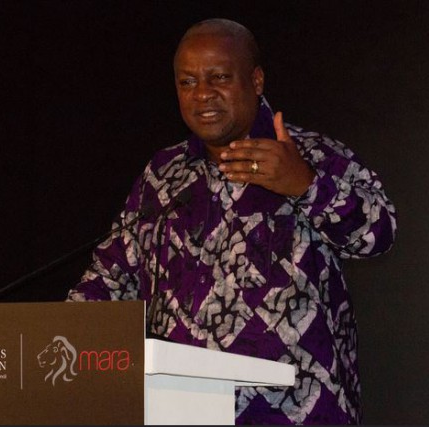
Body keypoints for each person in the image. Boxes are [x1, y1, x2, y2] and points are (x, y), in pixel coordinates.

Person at [67, 18, 397, 425]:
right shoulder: (164, 174)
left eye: (219, 77)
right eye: (187, 82)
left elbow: (378, 234)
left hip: (298, 412)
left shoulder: (309, 155)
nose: (202, 94)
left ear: (256, 81)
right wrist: (58, 340)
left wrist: (306, 185)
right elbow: (110, 279)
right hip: (184, 410)